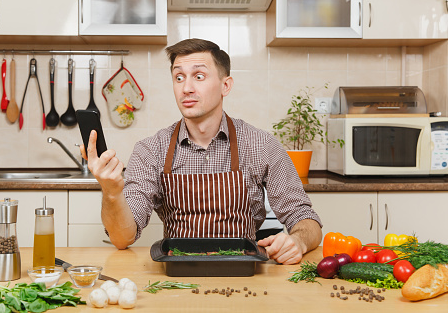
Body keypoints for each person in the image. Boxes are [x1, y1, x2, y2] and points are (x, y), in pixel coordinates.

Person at [82, 38, 322, 265]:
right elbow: (122, 238)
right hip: (177, 278)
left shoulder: (261, 144)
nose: (186, 88)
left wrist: (298, 241)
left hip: (244, 275)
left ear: (225, 86)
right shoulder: (151, 150)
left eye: (198, 76)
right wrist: (112, 193)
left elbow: (305, 219)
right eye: (178, 77)